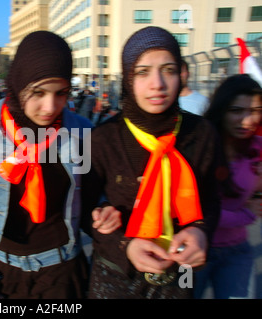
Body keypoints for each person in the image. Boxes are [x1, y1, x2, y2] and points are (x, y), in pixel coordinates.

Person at [0, 31, 118, 299]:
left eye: (61, 93)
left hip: (61, 272)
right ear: (20, 81)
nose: (50, 106)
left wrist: (103, 211)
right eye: (38, 92)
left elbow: (93, 197)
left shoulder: (82, 132)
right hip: (1, 271)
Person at [83, 26, 221, 299]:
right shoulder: (102, 138)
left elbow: (211, 199)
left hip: (181, 270)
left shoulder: (203, 133)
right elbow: (83, 207)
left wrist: (202, 232)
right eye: (142, 72)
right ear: (128, 79)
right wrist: (124, 243)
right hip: (115, 272)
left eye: (168, 70)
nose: (157, 83)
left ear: (180, 75)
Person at [194, 74, 262, 299]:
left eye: (255, 111)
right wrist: (246, 215)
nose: (248, 120)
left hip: (237, 253)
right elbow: (196, 211)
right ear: (221, 110)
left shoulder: (258, 148)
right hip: (191, 252)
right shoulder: (198, 147)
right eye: (237, 111)